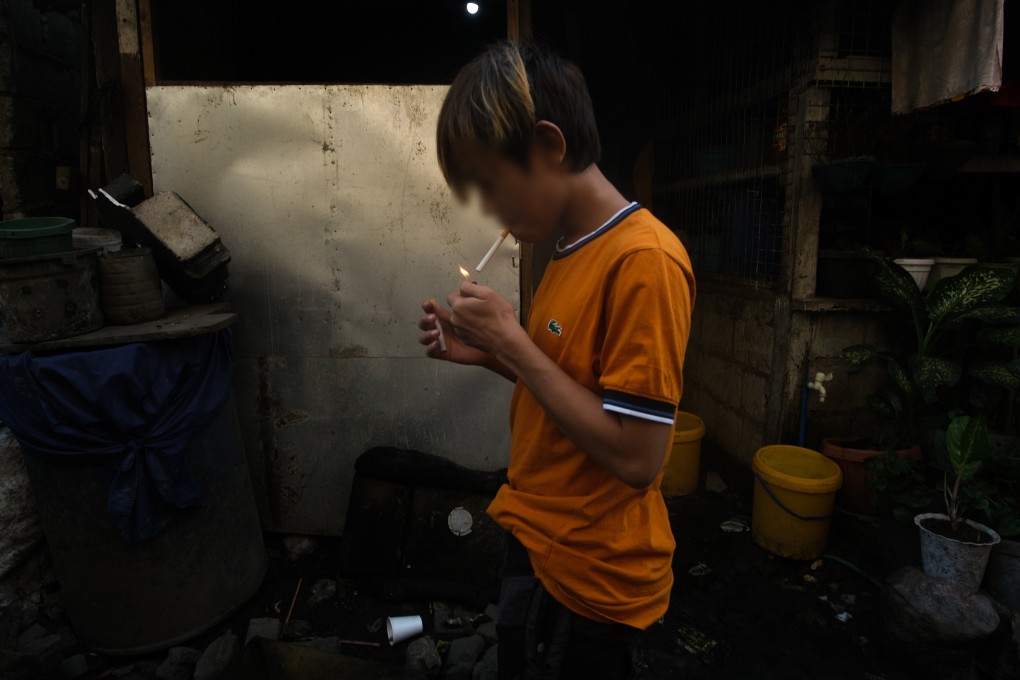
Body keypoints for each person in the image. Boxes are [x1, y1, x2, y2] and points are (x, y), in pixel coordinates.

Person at [417, 41, 695, 680]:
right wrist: (488, 356)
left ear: (548, 146)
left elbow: (637, 458)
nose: (489, 210)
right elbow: (570, 390)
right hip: (542, 548)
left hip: (592, 586)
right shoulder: (565, 251)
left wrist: (512, 340)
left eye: (491, 185)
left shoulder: (644, 261)